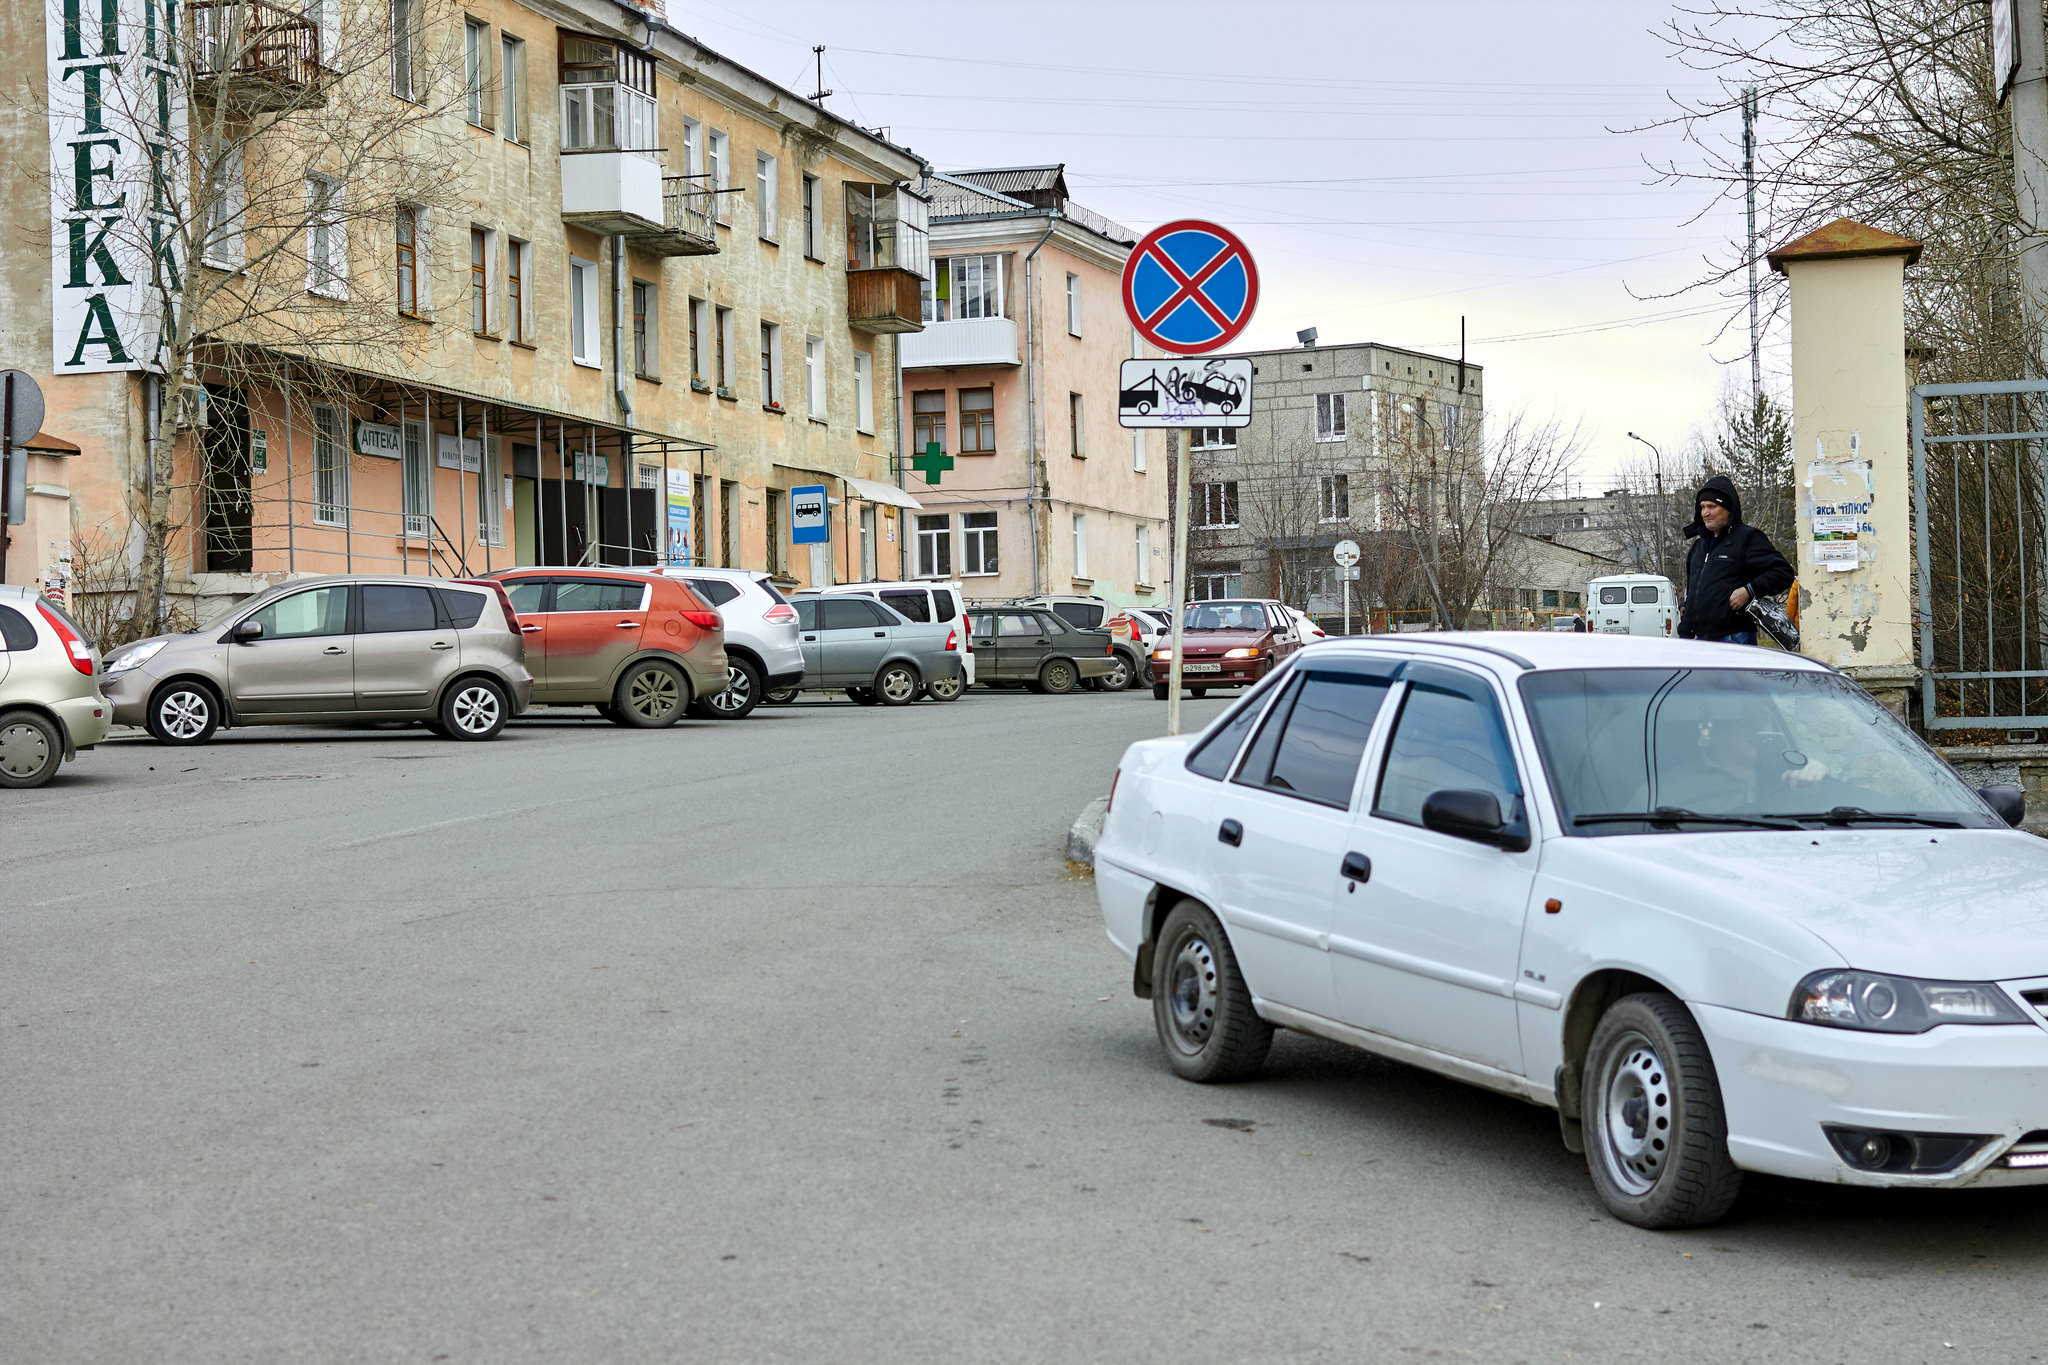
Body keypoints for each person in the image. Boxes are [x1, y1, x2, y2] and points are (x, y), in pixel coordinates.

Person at [1677, 475, 1792, 645]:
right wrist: (1685, 633)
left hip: (1735, 638)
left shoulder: (1748, 538)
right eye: (1702, 507)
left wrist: (1749, 590)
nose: (1705, 513)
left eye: (1712, 506)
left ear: (1728, 507)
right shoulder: (1698, 547)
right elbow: (1691, 594)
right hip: (1699, 640)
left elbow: (1783, 573)